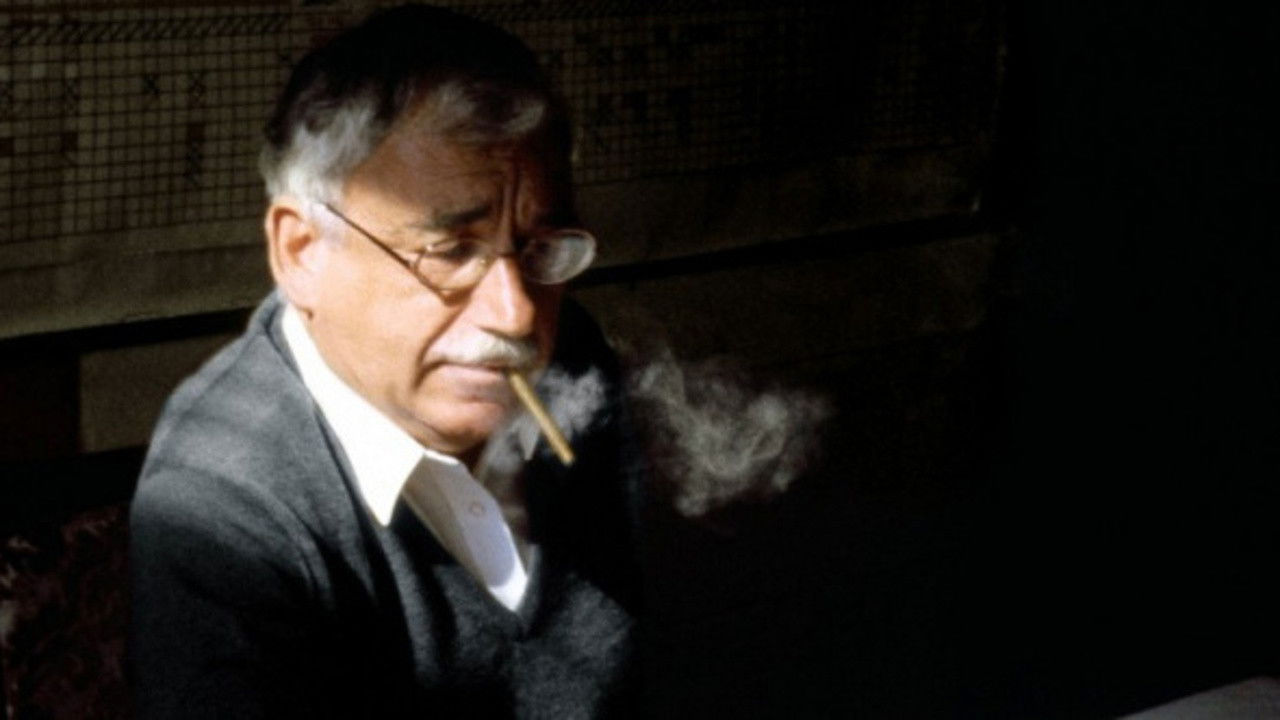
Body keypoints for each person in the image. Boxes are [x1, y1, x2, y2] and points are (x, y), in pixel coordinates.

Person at [128, 5, 644, 718]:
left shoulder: (573, 359)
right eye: (452, 251)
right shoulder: (222, 506)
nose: (517, 313)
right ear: (302, 254)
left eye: (538, 248)